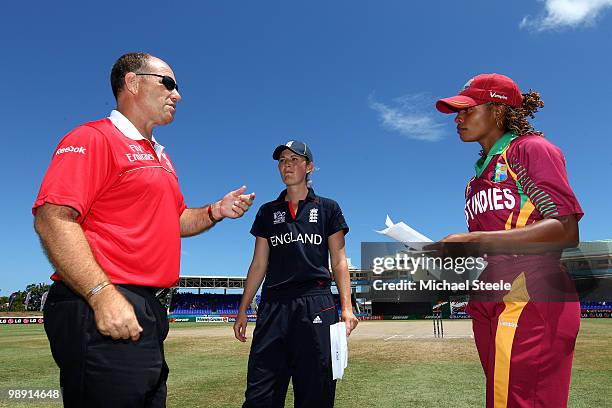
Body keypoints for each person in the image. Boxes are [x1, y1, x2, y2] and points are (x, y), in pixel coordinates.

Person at [32, 52, 255, 407]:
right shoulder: (93, 138)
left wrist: (215, 211)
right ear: (132, 83)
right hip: (101, 302)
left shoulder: (161, 158)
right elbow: (52, 218)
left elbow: (177, 220)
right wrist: (101, 294)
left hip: (146, 307)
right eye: (168, 83)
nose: (177, 95)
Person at [435, 73, 583, 407]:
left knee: (517, 400)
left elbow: (565, 229)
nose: (457, 119)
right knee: (501, 398)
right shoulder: (476, 178)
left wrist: (476, 240)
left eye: (467, 110)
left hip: (530, 287)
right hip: (491, 289)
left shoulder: (530, 150)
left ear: (498, 111)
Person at [233, 141, 358, 408]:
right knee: (260, 394)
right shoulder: (268, 211)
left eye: (294, 159)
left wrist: (346, 307)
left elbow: (338, 261)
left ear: (309, 167)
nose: (286, 164)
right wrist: (243, 308)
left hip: (316, 303)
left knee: (316, 393)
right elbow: (258, 264)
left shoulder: (328, 208)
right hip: (273, 306)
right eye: (282, 160)